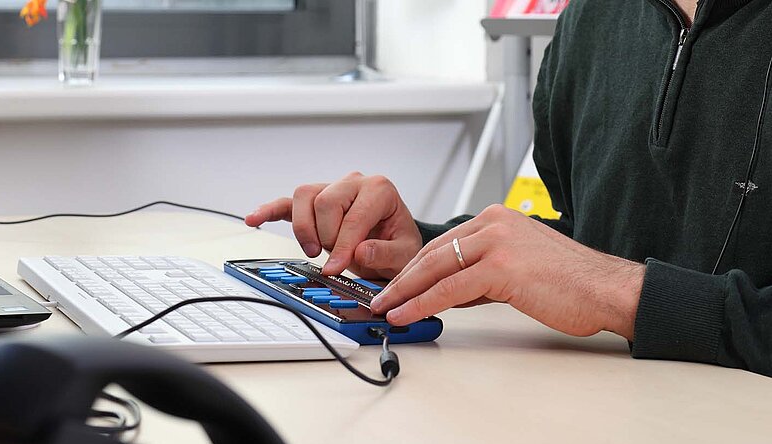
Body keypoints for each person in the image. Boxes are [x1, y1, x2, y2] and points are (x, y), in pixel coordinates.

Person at [245, 0, 772, 377]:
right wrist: (429, 250)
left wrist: (622, 296)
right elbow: (593, 237)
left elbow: (605, 279)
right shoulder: (591, 18)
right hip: (610, 409)